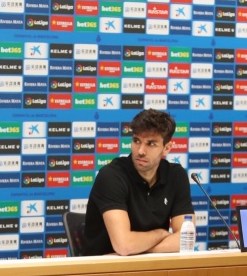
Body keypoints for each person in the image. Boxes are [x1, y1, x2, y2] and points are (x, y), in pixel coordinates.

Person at [83, 109, 194, 255]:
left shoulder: (176, 175)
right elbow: (124, 246)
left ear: (167, 148)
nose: (140, 151)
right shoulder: (111, 176)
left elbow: (186, 239)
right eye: (136, 141)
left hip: (151, 265)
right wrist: (160, 234)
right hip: (106, 266)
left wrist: (138, 248)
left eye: (151, 144)